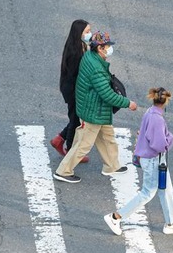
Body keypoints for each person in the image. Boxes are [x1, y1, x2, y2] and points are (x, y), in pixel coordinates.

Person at [53, 31, 137, 183]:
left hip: (96, 110)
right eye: (107, 46)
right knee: (83, 145)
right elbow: (107, 94)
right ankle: (63, 171)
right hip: (93, 112)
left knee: (107, 138)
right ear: (100, 48)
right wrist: (127, 103)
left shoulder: (89, 57)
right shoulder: (96, 68)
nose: (109, 49)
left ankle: (112, 166)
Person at [103, 87, 173, 235]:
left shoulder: (150, 112)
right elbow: (159, 145)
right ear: (166, 101)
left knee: (166, 189)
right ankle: (115, 217)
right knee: (148, 193)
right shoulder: (158, 119)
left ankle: (171, 223)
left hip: (149, 158)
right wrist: (170, 138)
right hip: (152, 159)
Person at [50, 19, 91, 164]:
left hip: (74, 89)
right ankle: (71, 151)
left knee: (75, 118)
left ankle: (60, 139)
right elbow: (77, 75)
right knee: (75, 120)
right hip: (74, 91)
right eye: (87, 31)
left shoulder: (79, 45)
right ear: (79, 33)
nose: (89, 34)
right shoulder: (75, 52)